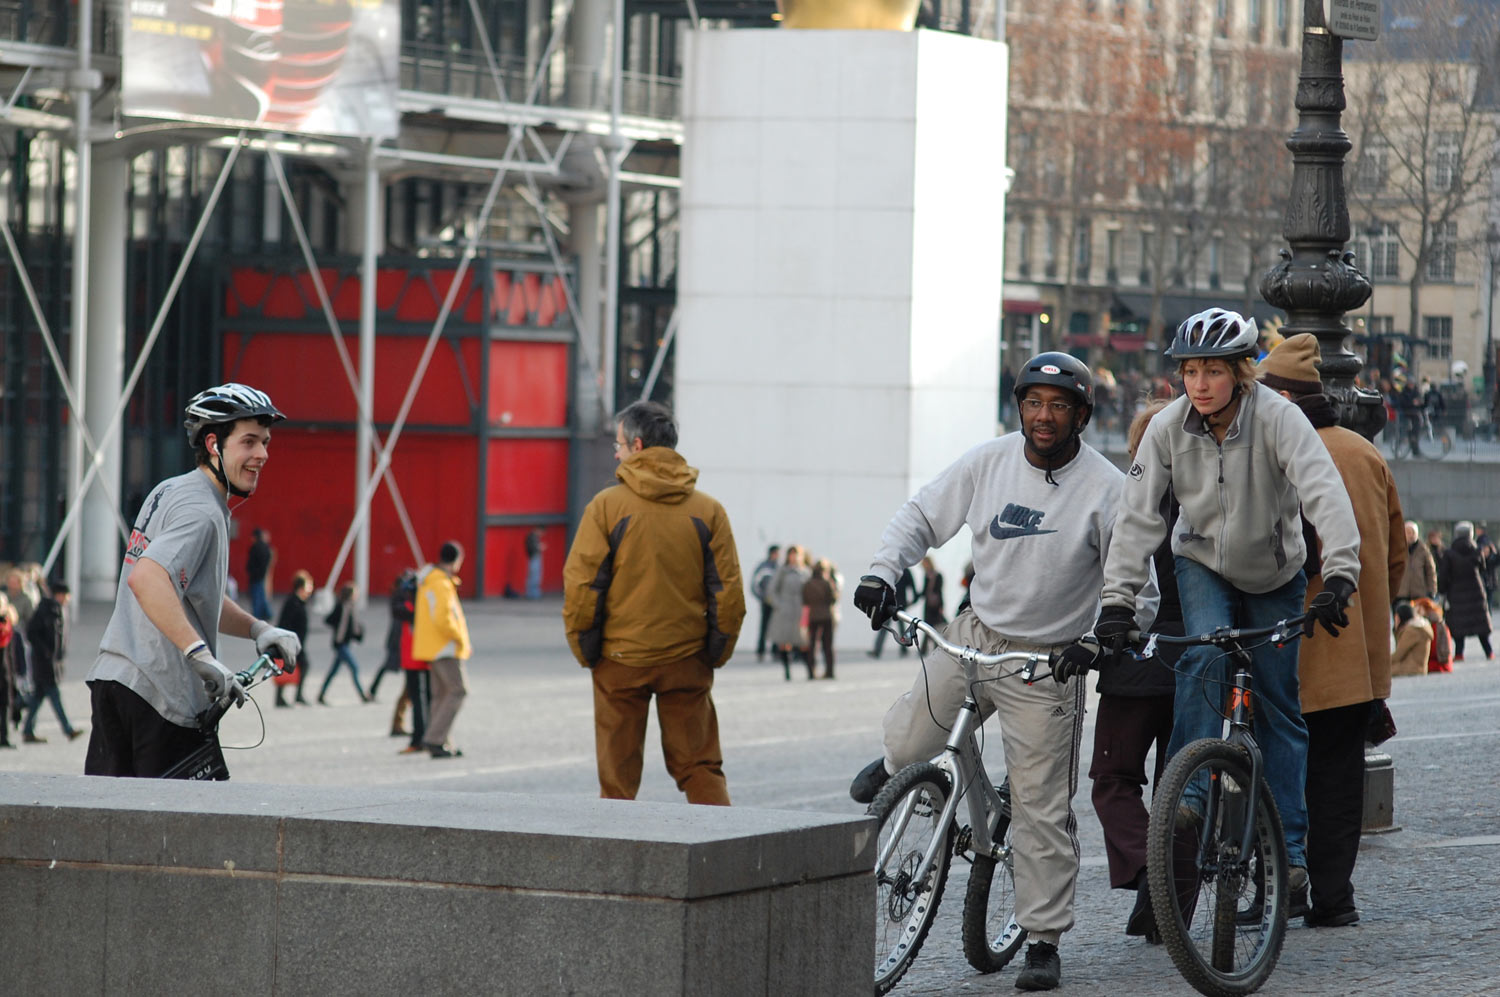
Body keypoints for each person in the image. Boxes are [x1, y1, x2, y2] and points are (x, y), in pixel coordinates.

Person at [850, 351, 1132, 992]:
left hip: (1050, 659)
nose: (1043, 416)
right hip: (976, 635)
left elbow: (1132, 582)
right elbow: (922, 515)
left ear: (1082, 415)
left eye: (1058, 406)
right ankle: (908, 770)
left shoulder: (1108, 488)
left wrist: (1102, 637)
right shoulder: (988, 462)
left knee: (1040, 809)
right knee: (909, 739)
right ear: (1019, 407)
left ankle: (1042, 939)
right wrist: (882, 572)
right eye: (1033, 403)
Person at [1096, 310, 1362, 922]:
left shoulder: (1279, 418)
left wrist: (1340, 575)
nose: (1200, 384)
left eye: (1213, 371)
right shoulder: (1167, 427)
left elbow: (1324, 492)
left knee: (1278, 705)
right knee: (1203, 657)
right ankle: (1189, 795)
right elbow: (1136, 517)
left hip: (1275, 571)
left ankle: (1290, 852)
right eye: (1190, 371)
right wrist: (1116, 601)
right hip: (1201, 563)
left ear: (1241, 373)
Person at [1255, 333, 1405, 928]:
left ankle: (1282, 887)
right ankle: (1334, 897)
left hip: (1288, 641)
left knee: (1277, 770)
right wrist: (1371, 614)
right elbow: (1394, 556)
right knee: (1339, 777)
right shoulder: (1365, 453)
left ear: (1285, 400)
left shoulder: (1270, 448)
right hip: (1352, 651)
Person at [84, 383, 302, 779]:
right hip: (160, 697)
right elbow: (148, 579)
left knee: (110, 813)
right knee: (180, 817)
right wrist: (200, 656)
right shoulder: (203, 511)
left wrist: (259, 629)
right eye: (249, 442)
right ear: (214, 444)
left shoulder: (172, 489)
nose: (262, 454)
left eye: (265, 442)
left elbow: (191, 594)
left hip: (115, 680)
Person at [562, 400, 745, 805]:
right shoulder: (708, 511)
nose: (616, 454)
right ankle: (720, 841)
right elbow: (728, 593)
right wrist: (714, 653)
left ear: (638, 446)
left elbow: (582, 587)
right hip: (686, 659)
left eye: (619, 445)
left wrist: (587, 649)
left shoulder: (606, 507)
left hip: (620, 660)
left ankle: (618, 843)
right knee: (700, 768)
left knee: (617, 782)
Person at [1089, 401, 1180, 945]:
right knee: (1183, 790)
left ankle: (1151, 874)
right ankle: (1171, 909)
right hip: (1194, 657)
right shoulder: (1208, 500)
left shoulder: (1126, 501)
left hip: (1135, 660)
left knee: (1113, 779)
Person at [413, 541, 471, 758]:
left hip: (431, 646)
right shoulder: (441, 583)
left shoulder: (429, 580)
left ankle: (442, 740)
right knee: (458, 691)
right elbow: (444, 618)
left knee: (441, 694)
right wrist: (460, 638)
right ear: (456, 560)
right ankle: (435, 739)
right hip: (445, 647)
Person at [21, 582, 82, 743]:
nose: (68, 599)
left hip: (52, 662)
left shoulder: (60, 610)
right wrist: (46, 653)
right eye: (66, 595)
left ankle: (27, 730)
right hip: (44, 663)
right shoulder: (46, 609)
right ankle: (68, 729)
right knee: (55, 697)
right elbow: (31, 632)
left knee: (37, 698)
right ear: (59, 595)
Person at [1440, 522, 1494, 662]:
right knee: (1480, 622)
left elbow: (1444, 575)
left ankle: (1459, 653)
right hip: (1476, 589)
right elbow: (1482, 568)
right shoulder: (1477, 550)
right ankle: (1489, 651)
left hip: (1456, 591)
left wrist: (1442, 590)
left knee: (1459, 622)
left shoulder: (1449, 553)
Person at [320, 582, 370, 704]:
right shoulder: (341, 606)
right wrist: (338, 627)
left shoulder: (351, 607)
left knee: (333, 671)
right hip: (340, 643)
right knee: (354, 667)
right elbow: (329, 620)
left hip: (346, 643)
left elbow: (353, 626)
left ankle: (321, 695)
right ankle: (362, 695)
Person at [766, 545, 810, 680]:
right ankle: (787, 671)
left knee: (803, 641)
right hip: (785, 611)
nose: (794, 557)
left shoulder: (806, 572)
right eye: (791, 554)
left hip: (800, 610)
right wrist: (779, 604)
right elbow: (772, 590)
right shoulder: (782, 571)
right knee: (784, 641)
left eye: (796, 554)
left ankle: (810, 670)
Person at [272, 570, 314, 708]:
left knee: (294, 665)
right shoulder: (293, 602)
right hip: (291, 642)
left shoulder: (300, 602)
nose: (311, 588)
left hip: (298, 643)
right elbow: (285, 623)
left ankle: (286, 696)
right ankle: (293, 695)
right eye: (309, 585)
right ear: (301, 586)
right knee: (295, 665)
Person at [866, 566, 917, 659]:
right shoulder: (903, 571)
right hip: (894, 604)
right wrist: (912, 601)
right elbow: (912, 588)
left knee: (889, 627)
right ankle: (902, 649)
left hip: (893, 604)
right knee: (894, 627)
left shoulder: (896, 570)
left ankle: (878, 650)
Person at [801, 559, 839, 680]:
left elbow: (804, 600)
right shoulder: (827, 583)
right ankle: (830, 670)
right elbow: (833, 599)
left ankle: (811, 671)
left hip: (813, 616)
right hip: (826, 615)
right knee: (827, 645)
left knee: (812, 645)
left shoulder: (808, 584)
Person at [1394, 520, 1437, 607]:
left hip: (1418, 594)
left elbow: (1431, 571)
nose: (1410, 535)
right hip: (1400, 594)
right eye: (1408, 532)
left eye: (1413, 532)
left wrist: (1432, 591)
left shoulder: (1424, 550)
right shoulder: (1397, 549)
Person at [750, 545, 780, 661]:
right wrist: (762, 597)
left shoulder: (780, 567)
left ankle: (775, 650)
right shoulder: (763, 567)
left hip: (777, 603)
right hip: (766, 602)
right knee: (764, 627)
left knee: (776, 627)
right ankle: (761, 650)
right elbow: (754, 584)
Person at [1390, 604, 1433, 677]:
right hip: (1418, 668)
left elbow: (1398, 655)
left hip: (1410, 669)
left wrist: (1382, 661)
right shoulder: (1419, 627)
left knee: (1381, 672)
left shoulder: (1412, 631)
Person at [0, 592, 18, 747]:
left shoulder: (7, 626)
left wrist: (14, 674)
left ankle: (4, 736)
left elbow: (12, 653)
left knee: (5, 705)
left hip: (5, 673)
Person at [246, 527, 275, 620]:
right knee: (261, 594)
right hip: (262, 574)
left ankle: (256, 615)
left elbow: (251, 563)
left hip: (255, 576)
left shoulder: (255, 547)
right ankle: (267, 613)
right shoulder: (266, 547)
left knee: (257, 596)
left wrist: (251, 570)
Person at [524, 526, 545, 599]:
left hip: (534, 557)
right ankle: (533, 594)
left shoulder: (533, 537)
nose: (541, 534)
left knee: (534, 576)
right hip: (534, 557)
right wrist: (539, 547)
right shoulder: (532, 537)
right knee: (534, 576)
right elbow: (531, 547)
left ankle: (533, 593)